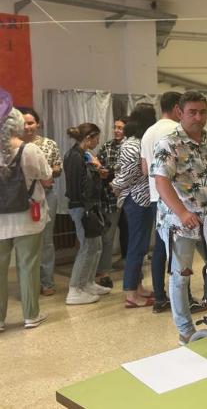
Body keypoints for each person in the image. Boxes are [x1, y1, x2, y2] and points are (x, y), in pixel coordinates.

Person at [151, 91, 207, 345]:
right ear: (180, 112)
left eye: (203, 112)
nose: (198, 117)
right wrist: (183, 212)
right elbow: (161, 183)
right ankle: (185, 330)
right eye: (192, 112)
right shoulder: (168, 144)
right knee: (181, 276)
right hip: (181, 222)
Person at [0, 108, 52, 330]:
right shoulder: (30, 149)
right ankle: (31, 315)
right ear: (18, 125)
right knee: (28, 266)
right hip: (28, 218)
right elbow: (47, 179)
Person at [112, 105, 157, 308]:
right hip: (136, 199)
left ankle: (137, 286)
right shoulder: (133, 144)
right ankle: (131, 293)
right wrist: (115, 185)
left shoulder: (138, 141)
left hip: (142, 198)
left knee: (140, 245)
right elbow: (129, 174)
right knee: (136, 246)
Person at [140, 91, 181, 314]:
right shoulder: (177, 129)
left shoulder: (148, 133)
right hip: (176, 197)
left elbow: (144, 169)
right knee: (180, 247)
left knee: (161, 249)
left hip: (156, 196)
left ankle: (159, 297)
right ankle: (182, 297)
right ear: (177, 108)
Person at [64, 122, 112, 305]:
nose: (98, 142)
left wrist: (97, 170)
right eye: (96, 138)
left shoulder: (84, 155)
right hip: (82, 208)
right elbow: (77, 188)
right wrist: (86, 210)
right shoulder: (74, 157)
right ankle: (74, 289)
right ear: (88, 137)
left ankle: (87, 283)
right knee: (86, 247)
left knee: (96, 246)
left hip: (90, 206)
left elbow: (88, 181)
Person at [17, 106, 62, 296]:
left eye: (31, 123)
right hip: (19, 198)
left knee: (46, 241)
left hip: (47, 194)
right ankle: (28, 285)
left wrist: (49, 171)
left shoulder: (49, 144)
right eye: (24, 123)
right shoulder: (13, 145)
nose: (27, 127)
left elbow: (57, 168)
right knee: (23, 243)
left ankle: (47, 282)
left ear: (38, 124)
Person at [96, 116, 128, 288]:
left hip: (125, 197)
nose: (117, 130)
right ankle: (102, 270)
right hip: (107, 197)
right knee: (106, 234)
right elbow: (98, 164)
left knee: (124, 233)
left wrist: (108, 172)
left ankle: (106, 271)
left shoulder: (130, 147)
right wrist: (100, 169)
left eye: (120, 128)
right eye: (115, 127)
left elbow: (123, 171)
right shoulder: (107, 146)